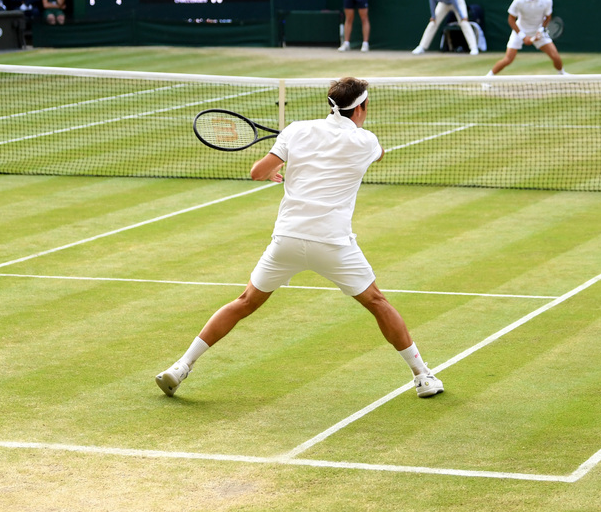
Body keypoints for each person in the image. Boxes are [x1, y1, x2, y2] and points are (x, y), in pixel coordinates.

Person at [155, 77, 445, 400]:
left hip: (288, 240)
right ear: (361, 108)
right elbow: (377, 154)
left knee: (244, 302)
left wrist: (277, 167)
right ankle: (423, 376)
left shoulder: (295, 130)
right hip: (332, 244)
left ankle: (181, 367)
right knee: (378, 303)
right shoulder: (366, 142)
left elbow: (257, 172)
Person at [485, 0, 566, 76]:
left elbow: (548, 17)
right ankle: (488, 77)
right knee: (508, 59)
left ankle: (562, 74)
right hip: (520, 31)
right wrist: (522, 36)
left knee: (555, 56)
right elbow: (511, 19)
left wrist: (540, 31)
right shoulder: (519, 0)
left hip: (538, 31)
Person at [411, 0, 480, 55]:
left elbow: (455, 3)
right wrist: (433, 16)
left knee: (464, 23)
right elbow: (432, 3)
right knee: (433, 23)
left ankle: (474, 48)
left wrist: (462, 16)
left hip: (457, 3)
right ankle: (422, 47)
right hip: (443, 4)